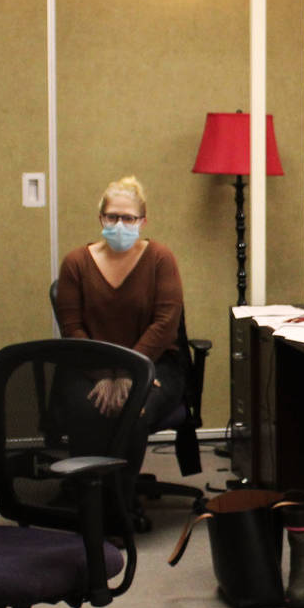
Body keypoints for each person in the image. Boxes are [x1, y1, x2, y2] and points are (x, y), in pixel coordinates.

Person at [54, 176, 189, 440]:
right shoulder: (75, 263)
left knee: (134, 408)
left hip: (154, 363)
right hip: (89, 363)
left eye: (128, 218)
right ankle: (89, 481)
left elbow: (165, 324)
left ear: (143, 221)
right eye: (112, 217)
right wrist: (104, 374)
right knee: (87, 409)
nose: (119, 225)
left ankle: (123, 483)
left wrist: (131, 372)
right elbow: (72, 328)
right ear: (101, 218)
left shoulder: (160, 258)